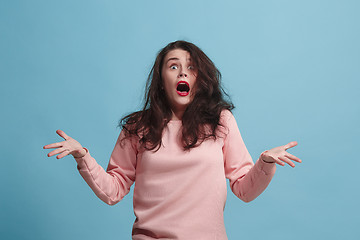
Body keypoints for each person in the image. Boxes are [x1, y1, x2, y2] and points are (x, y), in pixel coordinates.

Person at [43, 40, 302, 239]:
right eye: (174, 66)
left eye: (191, 67)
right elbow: (113, 190)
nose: (183, 73)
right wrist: (82, 156)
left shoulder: (220, 122)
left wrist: (265, 163)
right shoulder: (137, 127)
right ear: (161, 79)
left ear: (200, 79)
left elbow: (244, 189)